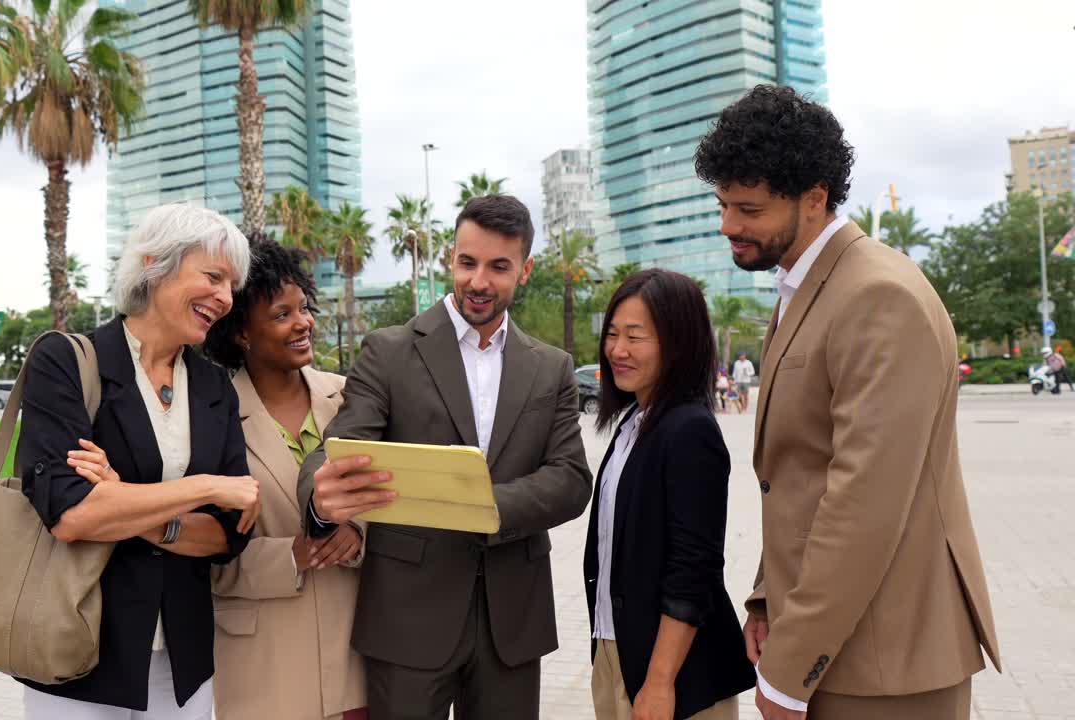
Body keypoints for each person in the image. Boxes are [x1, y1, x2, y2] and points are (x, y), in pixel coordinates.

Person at [694, 84, 1000, 720]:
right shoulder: (808, 287)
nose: (729, 225)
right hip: (831, 640)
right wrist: (767, 599)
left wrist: (788, 671)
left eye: (748, 208)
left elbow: (864, 504)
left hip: (884, 666)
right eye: (723, 204)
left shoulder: (877, 297)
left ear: (814, 199)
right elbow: (797, 476)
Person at [298, 194, 593, 720]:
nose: (479, 280)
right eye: (467, 262)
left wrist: (480, 506)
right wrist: (320, 500)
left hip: (513, 620)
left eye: (499, 266)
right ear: (449, 259)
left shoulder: (551, 368)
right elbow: (336, 449)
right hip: (407, 617)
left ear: (524, 271)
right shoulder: (388, 351)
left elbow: (571, 479)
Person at [15, 203, 262, 719]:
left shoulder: (215, 386)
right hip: (77, 655)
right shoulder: (66, 361)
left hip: (183, 663)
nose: (224, 297)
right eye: (213, 276)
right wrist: (206, 488)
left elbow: (228, 534)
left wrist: (123, 500)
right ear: (155, 264)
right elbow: (72, 517)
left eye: (231, 286)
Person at [202, 241, 368, 720]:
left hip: (354, 663)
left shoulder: (351, 400)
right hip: (262, 672)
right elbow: (203, 556)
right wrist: (291, 555)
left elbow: (394, 502)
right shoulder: (211, 418)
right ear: (241, 334)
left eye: (304, 308)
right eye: (281, 314)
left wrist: (360, 533)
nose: (303, 323)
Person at [586, 269, 755, 720]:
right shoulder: (633, 422)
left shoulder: (689, 430)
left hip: (675, 677)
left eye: (635, 337)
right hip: (617, 647)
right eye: (613, 334)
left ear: (677, 342)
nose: (617, 350)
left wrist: (660, 682)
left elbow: (693, 569)